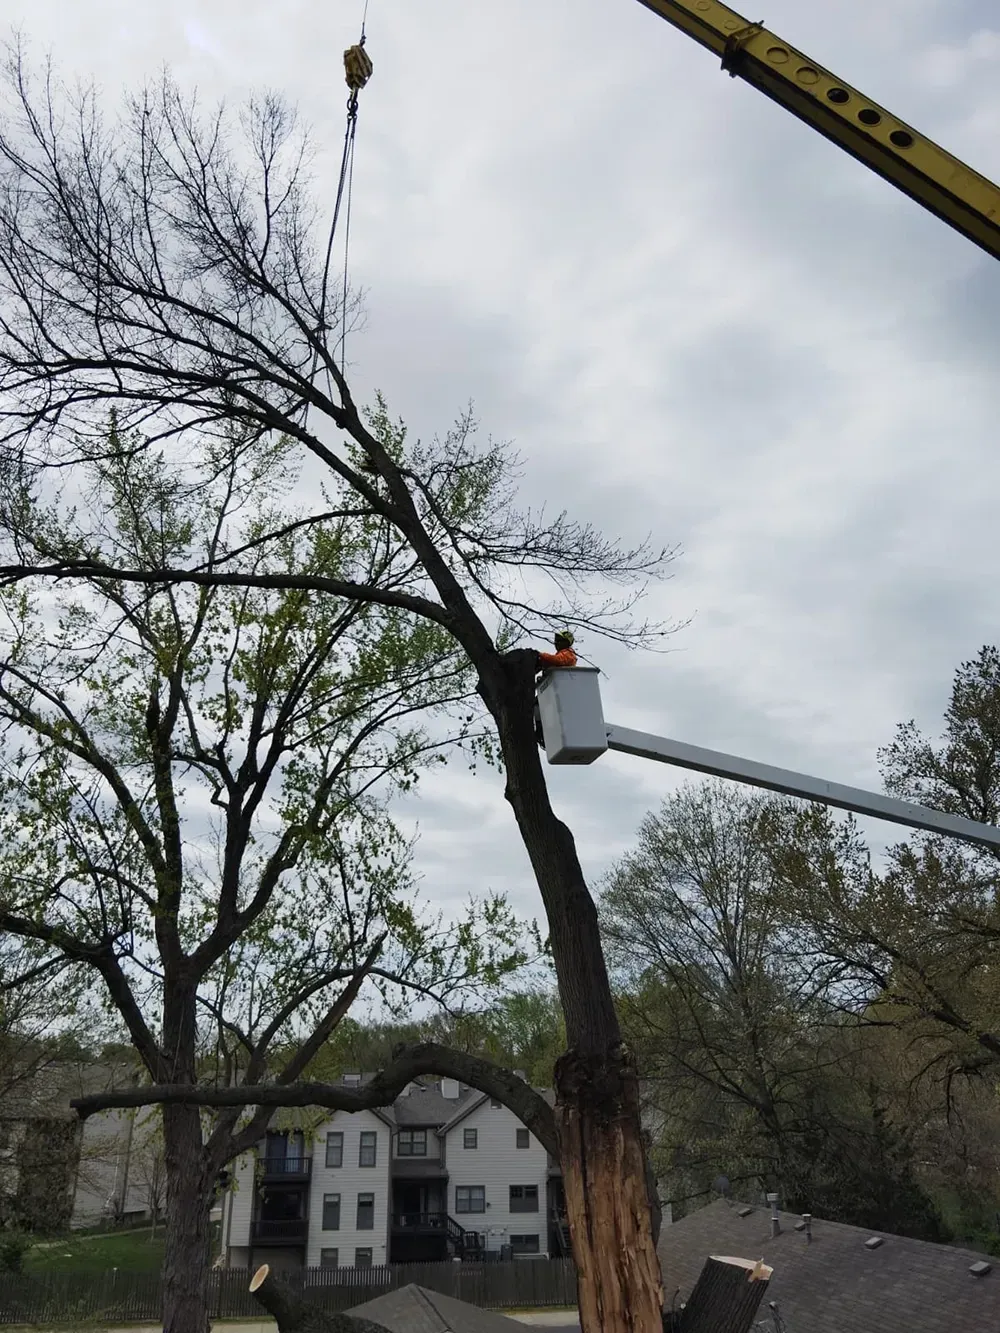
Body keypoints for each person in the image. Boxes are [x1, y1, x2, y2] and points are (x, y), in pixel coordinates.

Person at [533, 630, 577, 747]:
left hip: (562, 689)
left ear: (567, 642)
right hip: (555, 689)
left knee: (539, 704)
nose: (556, 643)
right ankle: (541, 729)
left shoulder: (569, 654)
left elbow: (559, 661)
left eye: (559, 640)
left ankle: (541, 731)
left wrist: (540, 655)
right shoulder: (560, 655)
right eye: (556, 640)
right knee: (537, 705)